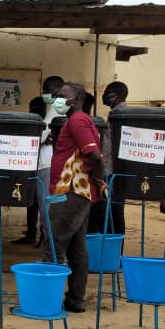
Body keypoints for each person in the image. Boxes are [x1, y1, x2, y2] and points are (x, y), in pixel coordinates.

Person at [44, 82, 105, 313]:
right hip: (77, 192)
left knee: (53, 246)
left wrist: (98, 180)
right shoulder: (80, 120)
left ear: (77, 98)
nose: (57, 98)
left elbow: (95, 157)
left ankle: (47, 301)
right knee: (76, 249)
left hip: (70, 191)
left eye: (62, 95)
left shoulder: (77, 121)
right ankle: (75, 300)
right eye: (57, 95)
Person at [13, 75, 65, 244]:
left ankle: (53, 255)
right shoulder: (56, 110)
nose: (43, 93)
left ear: (54, 91)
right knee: (50, 211)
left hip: (47, 166)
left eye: (45, 90)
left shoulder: (56, 110)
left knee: (47, 212)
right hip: (50, 164)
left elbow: (40, 136)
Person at [89, 80, 128, 235]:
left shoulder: (117, 115)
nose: (104, 96)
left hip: (111, 171)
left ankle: (113, 248)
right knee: (116, 211)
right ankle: (117, 248)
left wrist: (103, 170)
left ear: (114, 96)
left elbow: (108, 145)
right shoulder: (123, 114)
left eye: (106, 93)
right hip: (120, 171)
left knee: (112, 212)